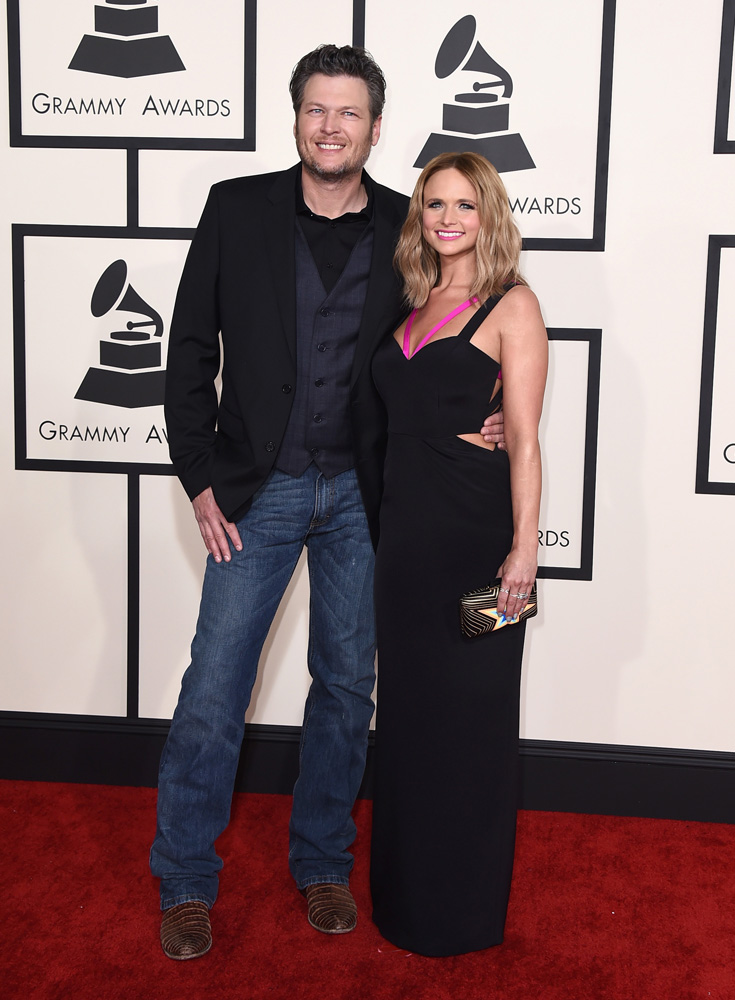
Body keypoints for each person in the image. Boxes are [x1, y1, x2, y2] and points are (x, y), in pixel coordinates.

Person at [150, 44, 507, 960]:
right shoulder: (236, 208)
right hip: (254, 492)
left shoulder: (408, 224)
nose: (331, 126)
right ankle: (186, 879)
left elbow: (463, 318)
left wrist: (493, 410)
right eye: (316, 109)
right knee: (214, 684)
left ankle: (320, 863)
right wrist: (198, 478)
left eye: (348, 113)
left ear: (375, 127)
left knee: (346, 687)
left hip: (366, 495)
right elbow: (188, 349)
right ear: (296, 117)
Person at [369, 151, 548, 957]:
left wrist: (523, 553)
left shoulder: (513, 306)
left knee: (472, 722)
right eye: (434, 203)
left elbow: (526, 444)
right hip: (403, 546)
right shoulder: (409, 304)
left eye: (464, 204)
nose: (447, 217)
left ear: (488, 215)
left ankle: (461, 914)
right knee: (408, 720)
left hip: (478, 548)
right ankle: (405, 902)